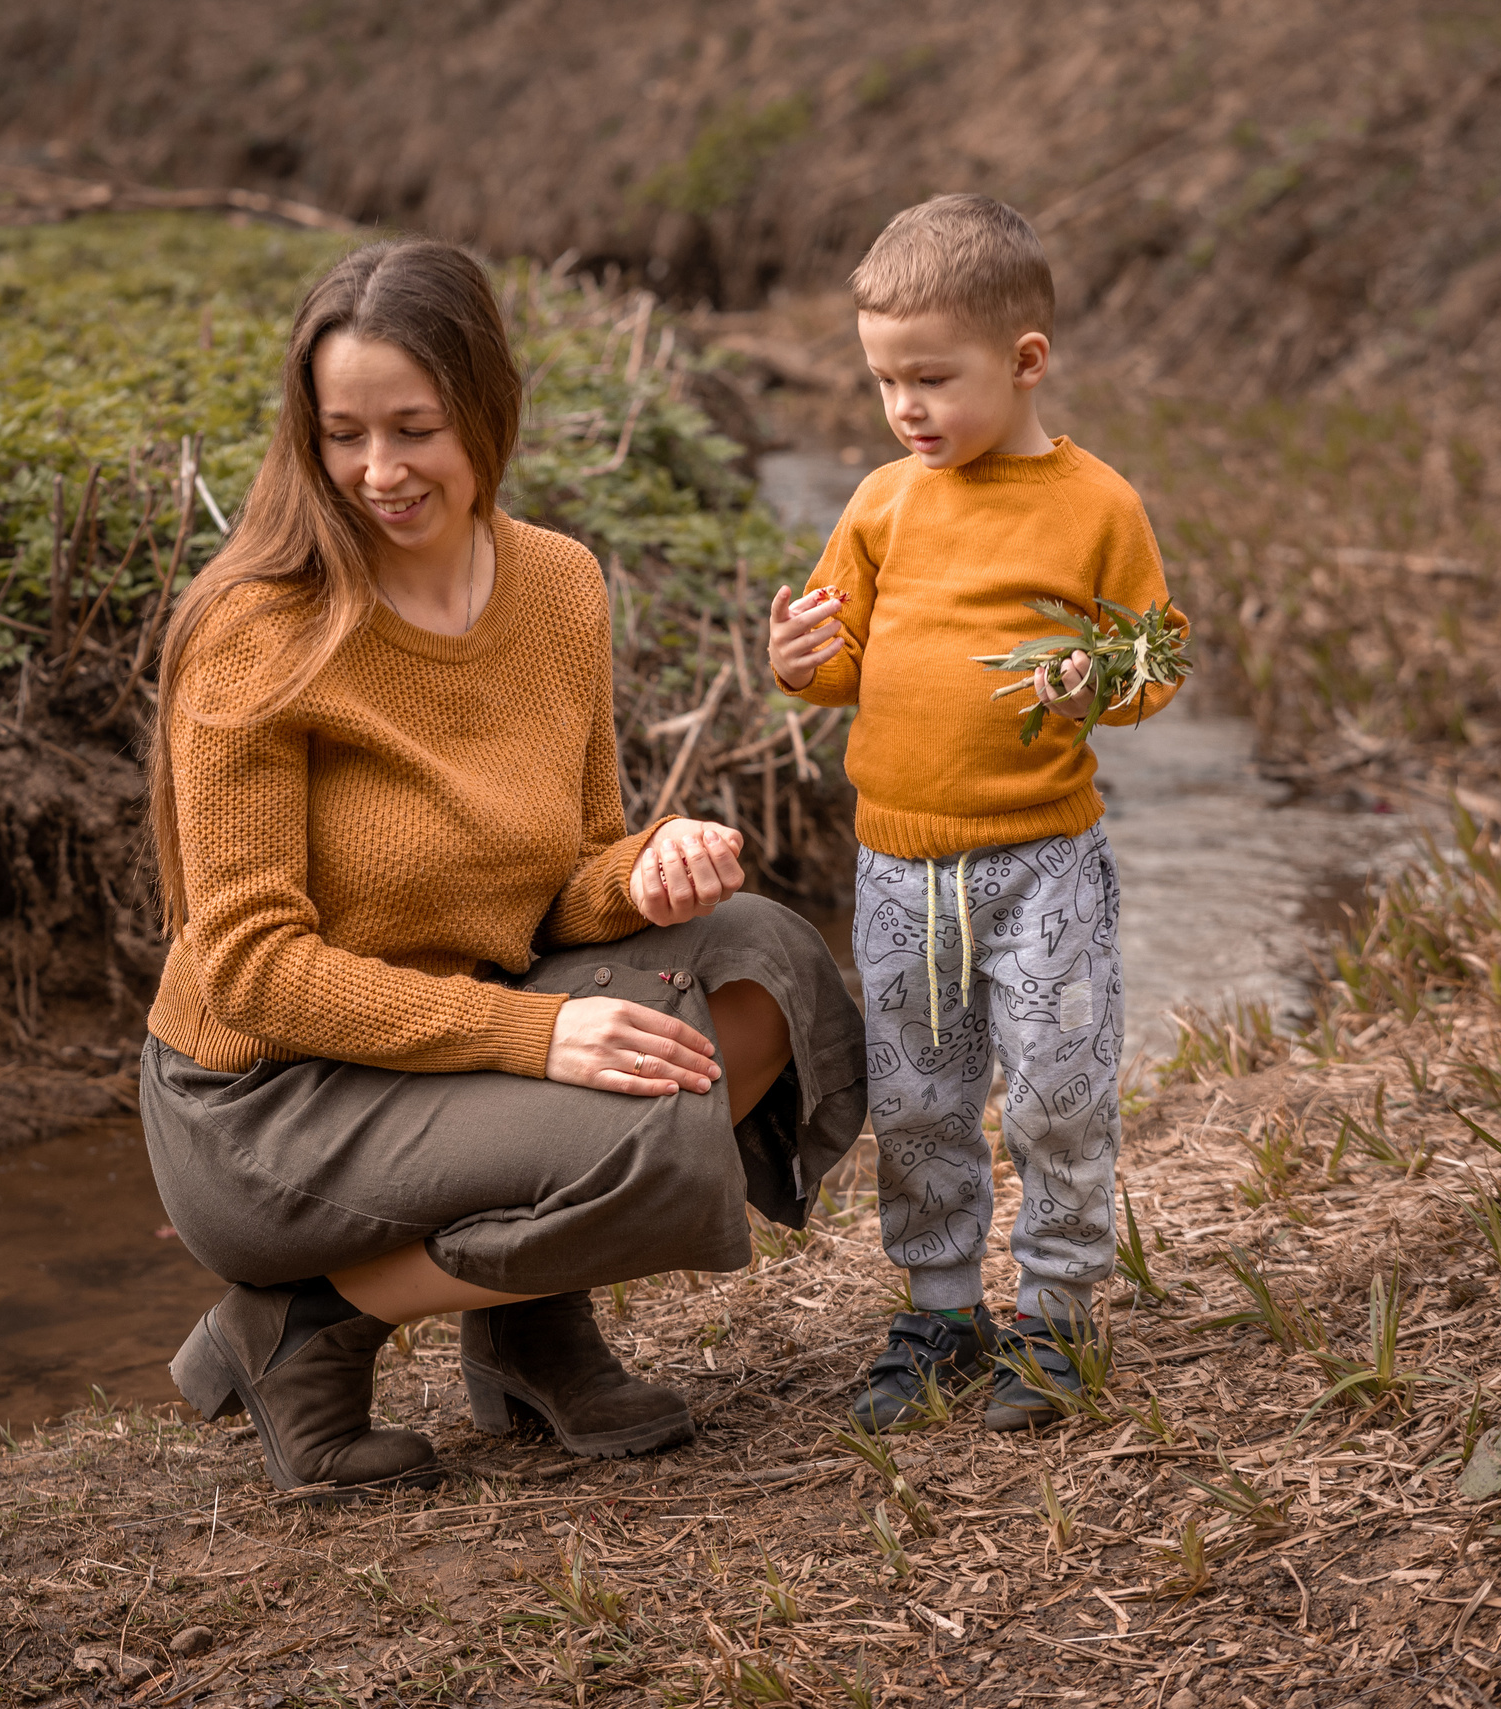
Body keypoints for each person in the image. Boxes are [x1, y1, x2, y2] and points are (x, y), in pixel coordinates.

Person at [141, 238, 866, 1495]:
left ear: (485, 406)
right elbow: (252, 971)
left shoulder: (556, 581)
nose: (379, 471)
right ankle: (306, 1323)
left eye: (414, 426)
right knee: (639, 1125)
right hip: (271, 1102)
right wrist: (541, 1039)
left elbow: (568, 875)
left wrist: (643, 877)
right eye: (343, 433)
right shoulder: (260, 628)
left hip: (454, 1045)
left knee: (766, 964)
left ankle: (528, 1328)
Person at [765, 193, 1189, 1432]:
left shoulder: (1094, 504)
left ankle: (1055, 1312)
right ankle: (943, 1304)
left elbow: (1153, 664)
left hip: (1043, 861)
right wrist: (799, 656)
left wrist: (1092, 679)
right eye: (885, 380)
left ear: (1024, 361)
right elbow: (839, 659)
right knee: (917, 1098)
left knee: (1058, 1091)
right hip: (901, 870)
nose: (905, 408)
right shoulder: (882, 501)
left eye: (931, 379)